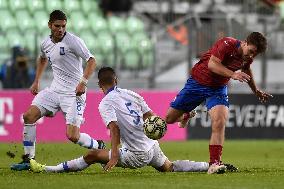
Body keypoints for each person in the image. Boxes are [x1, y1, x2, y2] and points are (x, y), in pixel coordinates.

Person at [29, 67, 214, 174]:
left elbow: (114, 128)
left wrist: (115, 155)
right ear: (116, 80)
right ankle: (209, 165)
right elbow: (151, 118)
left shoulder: (105, 103)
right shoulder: (131, 94)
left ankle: (48, 170)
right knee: (169, 167)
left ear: (100, 85)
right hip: (151, 145)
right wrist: (181, 118)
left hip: (136, 154)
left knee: (92, 155)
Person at [165, 32, 273, 174]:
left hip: (217, 89)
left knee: (219, 121)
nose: (252, 56)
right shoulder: (226, 44)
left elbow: (246, 70)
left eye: (255, 54)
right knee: (169, 119)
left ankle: (214, 163)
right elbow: (212, 64)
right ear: (245, 42)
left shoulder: (247, 58)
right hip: (197, 83)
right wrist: (233, 74)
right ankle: (186, 115)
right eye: (251, 51)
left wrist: (256, 90)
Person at [11, 10, 105, 171]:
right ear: (50, 25)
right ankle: (28, 159)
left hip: (74, 93)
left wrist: (83, 82)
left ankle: (99, 145)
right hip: (54, 90)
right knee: (29, 116)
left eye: (63, 26)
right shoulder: (45, 43)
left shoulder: (73, 41)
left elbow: (92, 60)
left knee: (73, 136)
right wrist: (37, 81)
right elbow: (42, 58)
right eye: (57, 26)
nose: (61, 29)